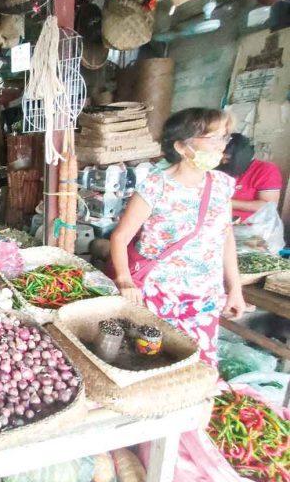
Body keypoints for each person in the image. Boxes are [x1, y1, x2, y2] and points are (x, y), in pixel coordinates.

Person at [109, 108, 245, 365]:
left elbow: (225, 237)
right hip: (159, 293)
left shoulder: (223, 185)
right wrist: (125, 280)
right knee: (151, 361)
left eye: (224, 137)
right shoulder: (156, 185)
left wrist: (234, 289)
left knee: (198, 364)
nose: (222, 146)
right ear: (182, 147)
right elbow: (120, 237)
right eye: (213, 138)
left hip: (205, 295)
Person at [217, 133, 283, 222]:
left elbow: (268, 206)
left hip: (250, 226)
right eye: (221, 159)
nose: (223, 162)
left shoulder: (265, 170)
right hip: (217, 222)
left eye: (228, 159)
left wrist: (224, 203)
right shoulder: (217, 168)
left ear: (241, 158)